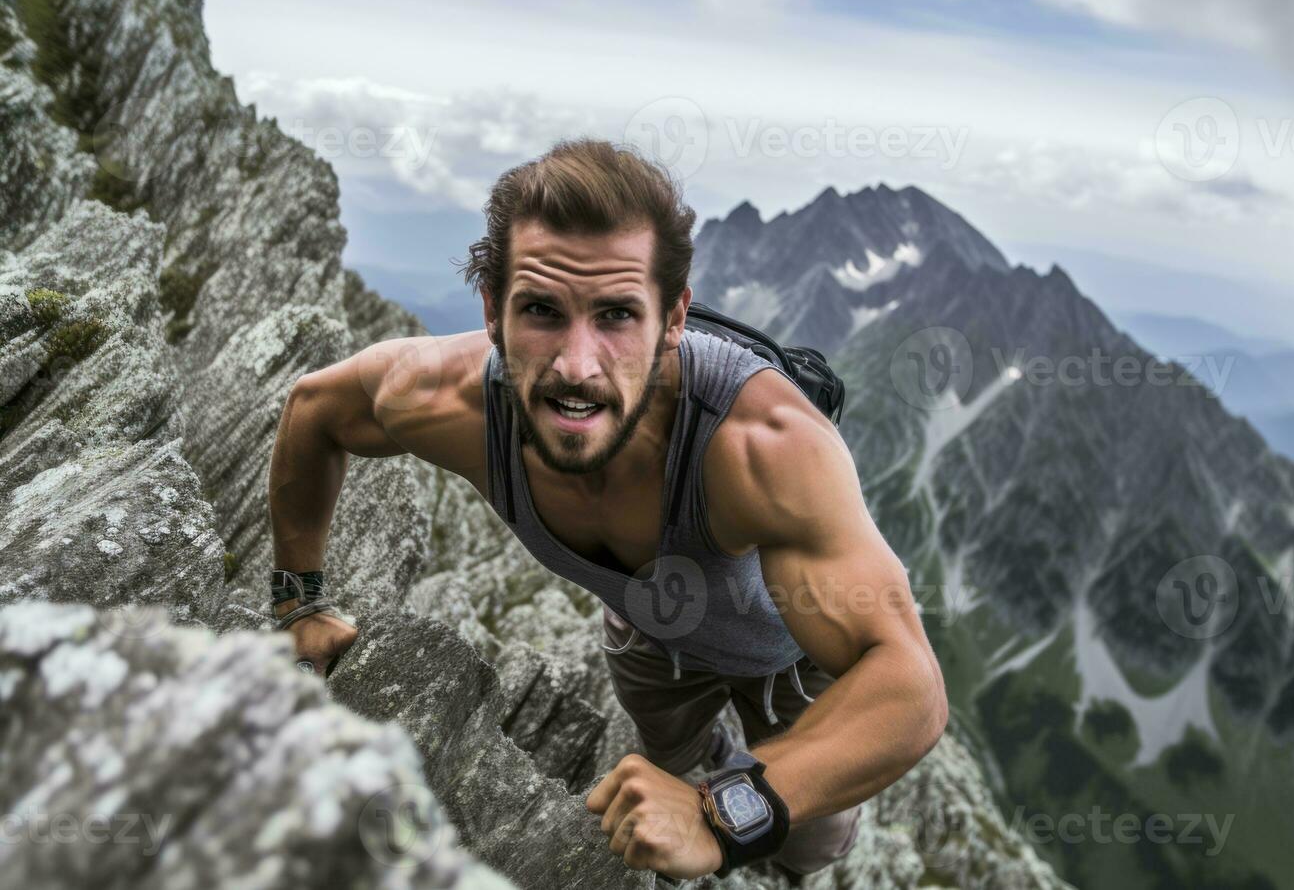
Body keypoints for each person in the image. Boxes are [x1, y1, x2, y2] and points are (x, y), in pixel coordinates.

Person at [267, 137, 948, 882]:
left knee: (801, 842)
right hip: (651, 637)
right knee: (661, 762)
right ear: (492, 309)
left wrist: (723, 811)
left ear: (674, 319)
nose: (575, 366)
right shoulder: (443, 401)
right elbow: (313, 410)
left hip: (788, 658)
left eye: (618, 315)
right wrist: (301, 605)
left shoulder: (762, 446)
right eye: (541, 311)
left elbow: (909, 686)